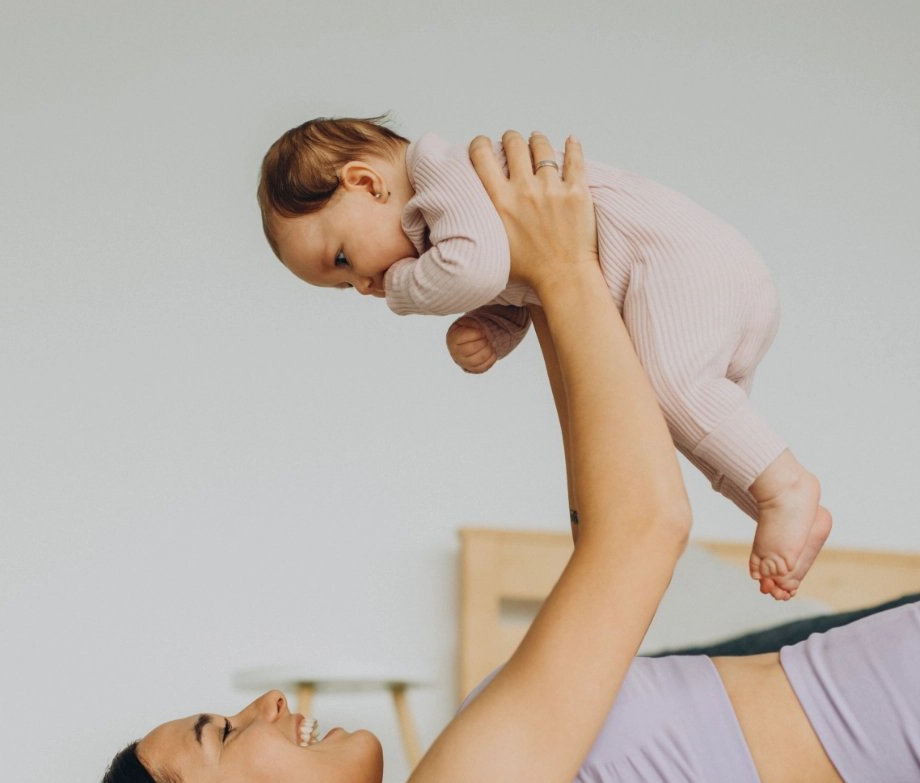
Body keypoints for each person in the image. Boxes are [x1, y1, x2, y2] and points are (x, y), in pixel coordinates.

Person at [83, 133, 918, 783]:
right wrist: (559, 270)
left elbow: (605, 526)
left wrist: (553, 282)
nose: (265, 703)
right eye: (222, 734)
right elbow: (642, 529)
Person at [257, 117, 831, 601]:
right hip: (698, 277)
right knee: (672, 421)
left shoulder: (442, 174)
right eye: (342, 286)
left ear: (365, 182)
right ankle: (777, 508)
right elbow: (524, 284)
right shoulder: (448, 226)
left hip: (683, 261)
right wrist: (491, 329)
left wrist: (404, 291)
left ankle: (786, 489)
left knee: (668, 388)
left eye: (341, 258)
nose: (361, 285)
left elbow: (478, 268)